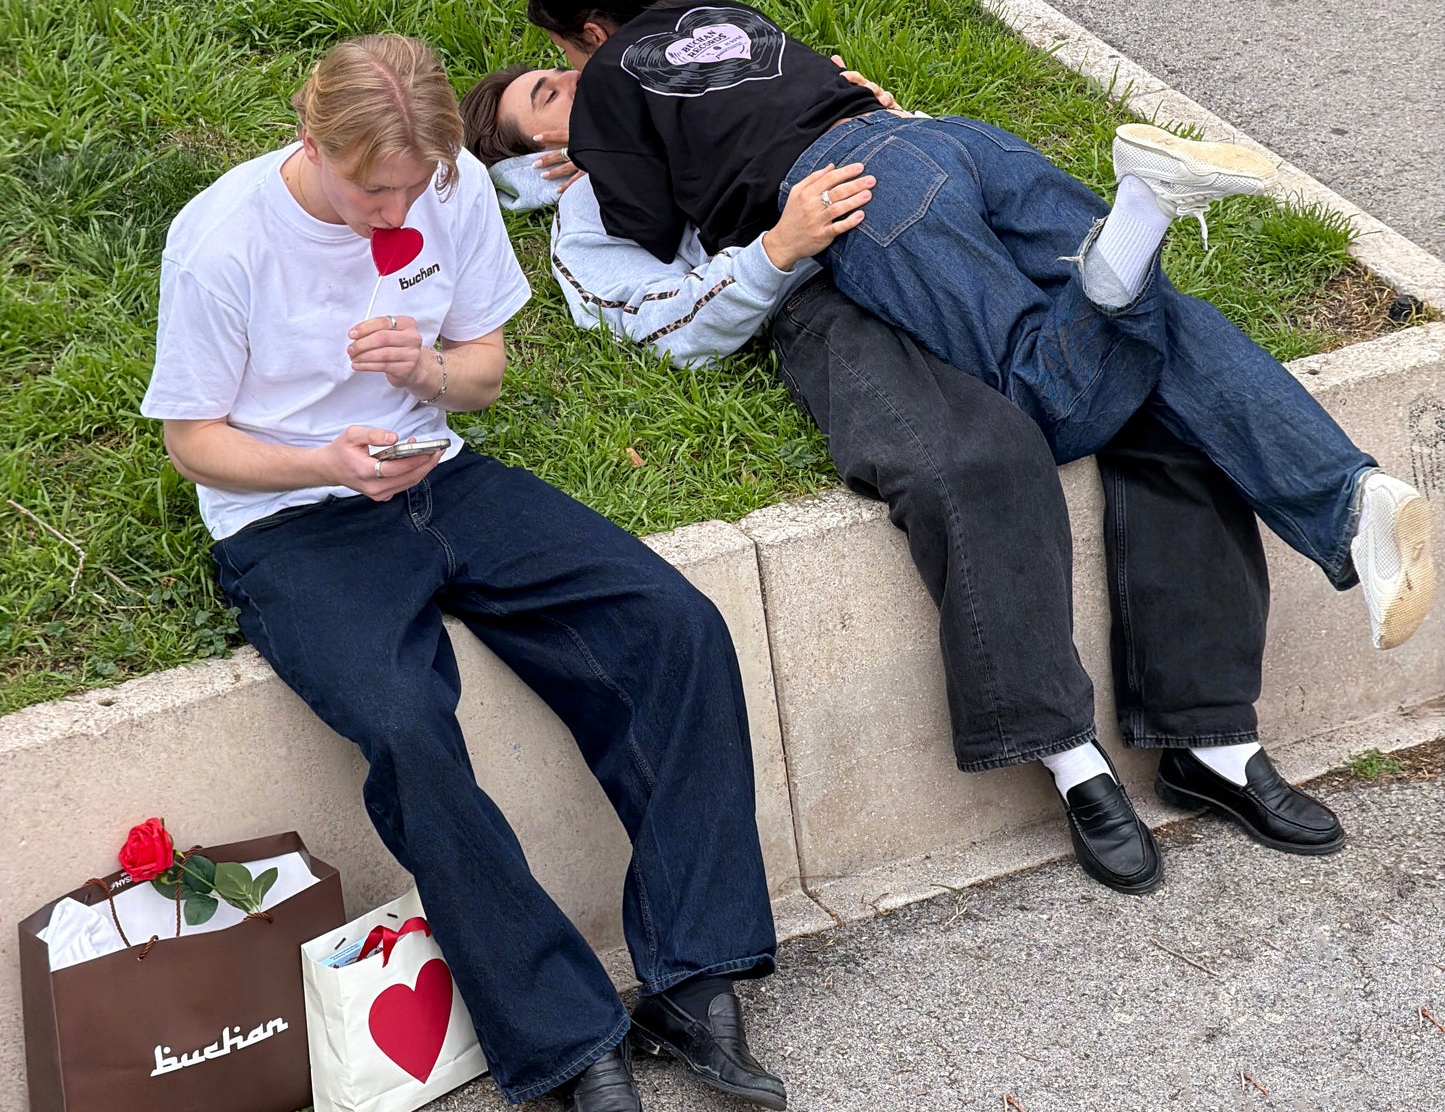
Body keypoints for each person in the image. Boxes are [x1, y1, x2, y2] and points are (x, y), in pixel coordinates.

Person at [139, 34, 787, 1112]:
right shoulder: (222, 240)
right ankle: (565, 1034)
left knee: (674, 624)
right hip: (293, 519)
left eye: (414, 183)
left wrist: (426, 373)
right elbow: (193, 442)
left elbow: (482, 370)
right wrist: (324, 461)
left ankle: (695, 976)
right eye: (370, 190)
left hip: (439, 470)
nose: (395, 209)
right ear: (311, 138)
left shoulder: (447, 187)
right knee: (404, 725)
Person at [462, 66, 1332, 886]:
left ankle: (1208, 741)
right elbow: (659, 328)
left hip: (928, 248)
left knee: (1153, 397)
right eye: (547, 94)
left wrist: (863, 114)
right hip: (822, 302)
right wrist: (774, 248)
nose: (576, 81)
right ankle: (1070, 758)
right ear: (535, 159)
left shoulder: (704, 91)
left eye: (562, 71)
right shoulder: (589, 212)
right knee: (971, 457)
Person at [514, 0, 1433, 670]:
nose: (569, 78)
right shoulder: (726, 13)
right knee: (1163, 323)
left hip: (865, 197)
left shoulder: (611, 81)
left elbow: (645, 225)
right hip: (950, 141)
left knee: (1041, 395)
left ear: (589, 33)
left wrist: (589, 155)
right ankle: (1353, 499)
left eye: (562, 60)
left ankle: (1141, 214)